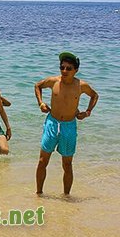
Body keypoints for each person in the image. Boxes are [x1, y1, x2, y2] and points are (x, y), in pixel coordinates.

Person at [34, 52, 98, 196]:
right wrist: (41, 103)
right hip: (52, 123)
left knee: (67, 164)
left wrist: (87, 112)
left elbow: (95, 95)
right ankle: (39, 194)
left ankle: (66, 196)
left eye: (69, 68)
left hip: (69, 126)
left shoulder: (81, 85)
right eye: (62, 67)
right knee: (42, 161)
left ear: (76, 70)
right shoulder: (54, 81)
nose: (64, 71)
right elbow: (37, 86)